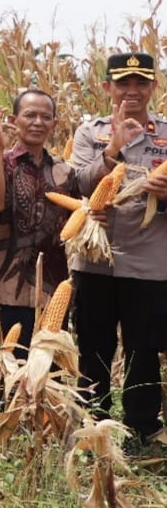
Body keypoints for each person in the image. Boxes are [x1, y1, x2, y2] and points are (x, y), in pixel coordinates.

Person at [69, 52, 167, 446]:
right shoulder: (89, 132)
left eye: (141, 83)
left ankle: (143, 426)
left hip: (149, 263)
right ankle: (94, 423)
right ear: (107, 87)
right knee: (94, 345)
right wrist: (113, 149)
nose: (132, 91)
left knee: (144, 348)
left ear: (154, 87)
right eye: (123, 83)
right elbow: (78, 184)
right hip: (95, 261)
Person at [0, 89, 78, 357]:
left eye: (46, 117)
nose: (38, 122)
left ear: (54, 123)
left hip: (52, 297)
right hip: (5, 293)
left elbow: (76, 224)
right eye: (30, 115)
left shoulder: (65, 173)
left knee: (48, 372)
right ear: (14, 120)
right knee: (4, 371)